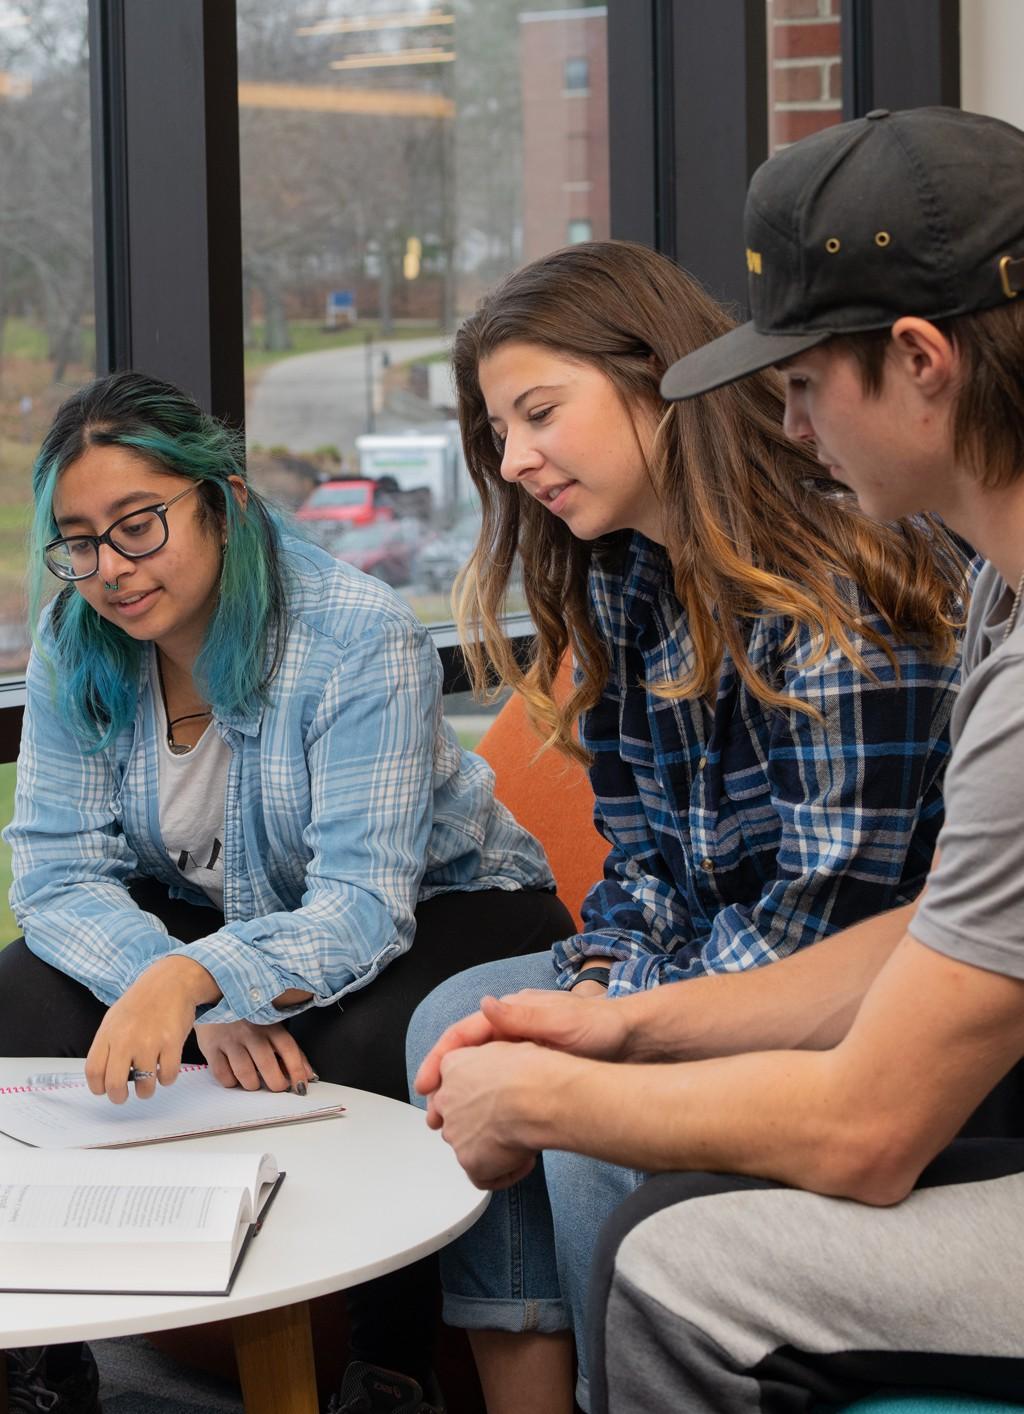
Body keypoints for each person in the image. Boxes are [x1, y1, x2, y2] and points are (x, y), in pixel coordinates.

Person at [415, 105, 1024, 1413]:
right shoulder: (1000, 597)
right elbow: (939, 923)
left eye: (802, 383)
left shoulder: (910, 599)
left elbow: (869, 1104)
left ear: (921, 361)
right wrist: (620, 1008)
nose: (788, 424)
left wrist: (564, 1087)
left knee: (667, 1257)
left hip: (952, 1092)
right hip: (911, 1020)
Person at [0, 370, 572, 1414]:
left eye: (138, 526)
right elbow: (53, 872)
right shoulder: (73, 640)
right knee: (18, 996)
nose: (108, 571)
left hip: (448, 903)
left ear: (223, 502)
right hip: (240, 916)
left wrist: (202, 980)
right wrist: (182, 985)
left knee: (347, 1049)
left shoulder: (356, 635)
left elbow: (362, 902)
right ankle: (47, 1355)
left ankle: (388, 1367)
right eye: (78, 542)